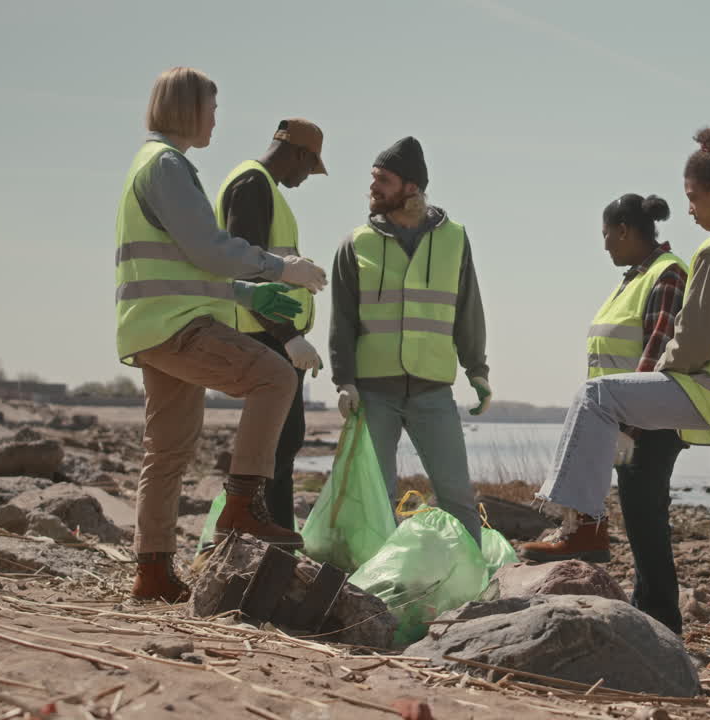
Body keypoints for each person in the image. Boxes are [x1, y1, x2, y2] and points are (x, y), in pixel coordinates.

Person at [520, 127, 710, 679]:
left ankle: (582, 525)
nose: (688, 209)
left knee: (599, 394)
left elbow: (693, 343)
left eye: (693, 197)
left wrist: (653, 388)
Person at [116, 67, 327, 603]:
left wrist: (247, 295)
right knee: (275, 378)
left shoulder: (151, 163)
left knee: (166, 452)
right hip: (178, 325)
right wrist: (280, 270)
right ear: (189, 108)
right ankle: (240, 508)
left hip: (150, 324)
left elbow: (185, 264)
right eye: (212, 109)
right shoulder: (167, 165)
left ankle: (152, 573)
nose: (215, 120)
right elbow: (209, 250)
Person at [521, 193, 688, 634]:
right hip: (620, 419)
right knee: (640, 519)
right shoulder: (633, 278)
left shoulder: (667, 274)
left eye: (607, 235)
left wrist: (628, 426)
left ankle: (662, 620)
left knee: (646, 519)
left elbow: (657, 352)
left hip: (646, 422)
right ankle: (650, 613)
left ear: (624, 231)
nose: (605, 245)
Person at [329, 136, 490, 544]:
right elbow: (342, 319)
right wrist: (343, 380)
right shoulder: (355, 243)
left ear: (411, 187)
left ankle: (475, 575)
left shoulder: (454, 238)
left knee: (457, 496)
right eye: (373, 178)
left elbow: (468, 308)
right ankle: (378, 576)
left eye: (383, 179)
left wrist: (477, 370)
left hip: (432, 390)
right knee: (377, 498)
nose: (373, 187)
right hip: (372, 392)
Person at [215, 118, 328, 530]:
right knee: (278, 442)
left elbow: (265, 264)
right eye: (310, 167)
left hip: (268, 332)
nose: (307, 177)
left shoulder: (262, 187)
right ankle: (265, 532)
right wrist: (290, 337)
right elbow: (247, 271)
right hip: (263, 332)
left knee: (282, 440)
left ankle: (273, 532)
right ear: (299, 154)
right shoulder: (253, 185)